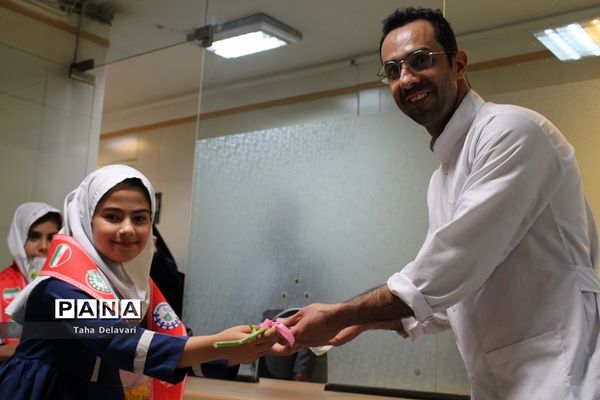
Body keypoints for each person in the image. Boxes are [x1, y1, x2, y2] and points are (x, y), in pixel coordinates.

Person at [275, 7, 600, 400]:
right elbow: (448, 299)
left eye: (420, 60)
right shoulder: (441, 180)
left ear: (458, 64)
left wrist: (338, 315)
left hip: (563, 379)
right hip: (503, 384)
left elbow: (446, 270)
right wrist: (361, 322)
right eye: (392, 70)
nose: (406, 78)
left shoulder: (511, 131)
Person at [0, 164, 278, 399]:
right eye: (112, 216)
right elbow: (117, 341)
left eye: (140, 218)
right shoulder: (60, 285)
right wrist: (218, 344)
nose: (128, 229)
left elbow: (168, 339)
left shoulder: (131, 288)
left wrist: (239, 350)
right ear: (86, 218)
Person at [0, 202, 62, 362]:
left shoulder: (68, 286)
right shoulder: (2, 285)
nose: (44, 246)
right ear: (18, 239)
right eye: (34, 236)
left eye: (52, 238)